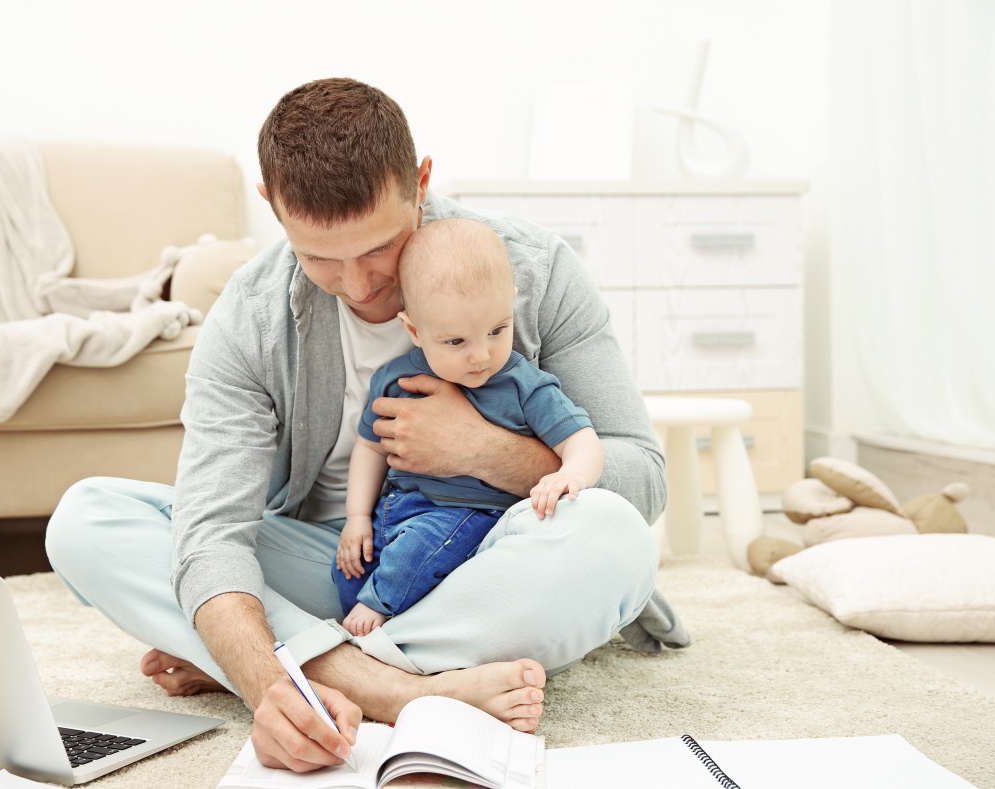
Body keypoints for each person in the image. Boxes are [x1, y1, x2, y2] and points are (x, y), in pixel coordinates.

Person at [45, 77, 687, 775]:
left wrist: (479, 449)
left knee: (616, 538)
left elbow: (641, 477)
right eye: (320, 256)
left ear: (421, 181)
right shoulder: (249, 315)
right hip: (336, 564)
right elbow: (211, 534)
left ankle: (314, 657)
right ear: (273, 207)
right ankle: (405, 687)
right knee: (86, 519)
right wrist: (267, 686)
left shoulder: (535, 270)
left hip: (488, 556)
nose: (358, 285)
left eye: (379, 247)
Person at [334, 217, 604, 636]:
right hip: (393, 510)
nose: (481, 355)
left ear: (511, 304)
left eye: (497, 330)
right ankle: (394, 634)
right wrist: (356, 518)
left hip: (470, 517)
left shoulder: (523, 385)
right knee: (351, 570)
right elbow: (369, 448)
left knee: (417, 552)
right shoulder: (394, 380)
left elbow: (582, 440)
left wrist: (571, 473)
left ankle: (382, 611)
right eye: (456, 342)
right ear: (414, 330)